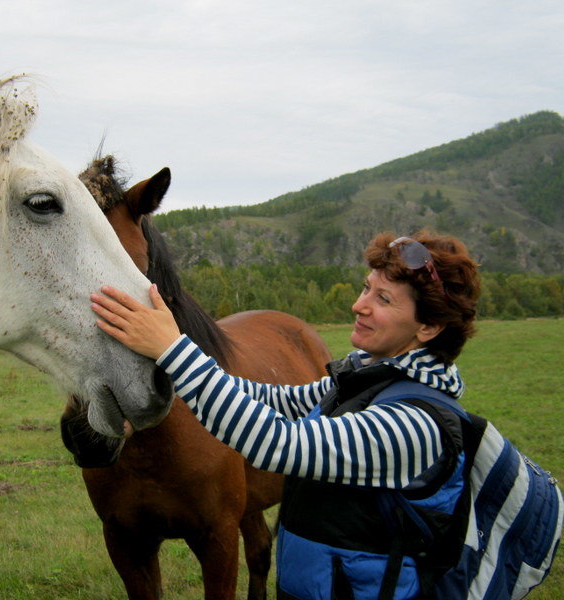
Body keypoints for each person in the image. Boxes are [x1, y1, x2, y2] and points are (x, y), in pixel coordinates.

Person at [90, 231, 480, 600]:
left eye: (384, 299)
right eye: (366, 288)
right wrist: (166, 384)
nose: (358, 305)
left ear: (429, 327)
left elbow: (278, 444)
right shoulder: (365, 382)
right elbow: (273, 398)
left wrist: (173, 348)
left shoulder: (415, 423)